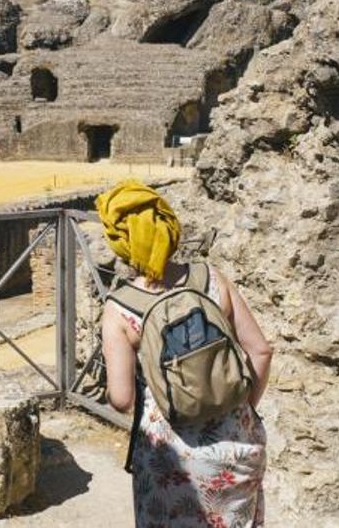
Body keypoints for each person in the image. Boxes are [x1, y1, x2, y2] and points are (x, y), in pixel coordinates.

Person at [98, 181, 273, 528]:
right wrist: (243, 409)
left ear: (121, 243)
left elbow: (121, 399)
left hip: (170, 458)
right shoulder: (212, 278)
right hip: (237, 445)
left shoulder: (119, 309)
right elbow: (261, 351)